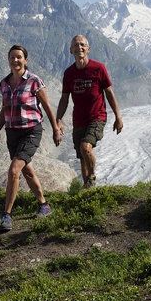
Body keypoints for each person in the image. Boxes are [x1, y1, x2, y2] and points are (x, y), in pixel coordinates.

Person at [0, 45, 61, 231]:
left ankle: (6, 215)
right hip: (12, 132)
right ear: (8, 60)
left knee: (14, 170)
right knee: (27, 171)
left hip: (31, 131)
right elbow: (4, 109)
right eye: (12, 57)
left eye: (19, 57)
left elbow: (46, 106)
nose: (15, 60)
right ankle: (44, 205)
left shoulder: (34, 81)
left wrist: (55, 129)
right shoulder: (4, 84)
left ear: (26, 60)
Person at [55, 35, 124, 188]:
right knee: (82, 156)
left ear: (88, 49)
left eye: (82, 45)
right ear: (71, 50)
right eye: (76, 45)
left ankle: (91, 177)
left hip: (97, 117)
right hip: (79, 119)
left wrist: (118, 117)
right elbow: (64, 99)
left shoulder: (98, 68)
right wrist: (58, 120)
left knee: (86, 147)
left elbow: (109, 93)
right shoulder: (69, 73)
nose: (79, 47)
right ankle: (88, 189)